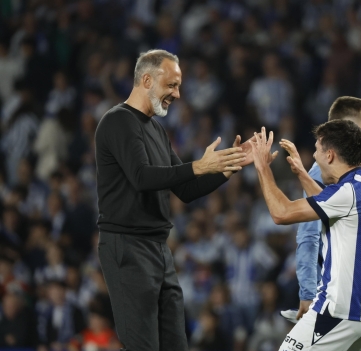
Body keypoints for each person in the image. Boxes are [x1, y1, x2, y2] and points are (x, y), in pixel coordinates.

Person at [94, 49, 269, 351]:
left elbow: (185, 190)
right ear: (146, 79)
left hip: (160, 249)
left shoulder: (157, 130)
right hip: (127, 246)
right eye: (171, 85)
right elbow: (142, 177)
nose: (177, 93)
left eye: (178, 85)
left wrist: (232, 164)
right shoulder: (118, 121)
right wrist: (199, 165)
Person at [250, 122, 361, 350]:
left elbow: (281, 213)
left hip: (337, 312)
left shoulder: (347, 194)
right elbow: (331, 206)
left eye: (317, 151)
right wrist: (301, 174)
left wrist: (262, 167)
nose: (314, 158)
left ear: (329, 155)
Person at [279, 96, 361, 324]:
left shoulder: (352, 172)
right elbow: (309, 235)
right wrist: (308, 294)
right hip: (334, 303)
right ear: (350, 128)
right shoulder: (322, 174)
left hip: (354, 299)